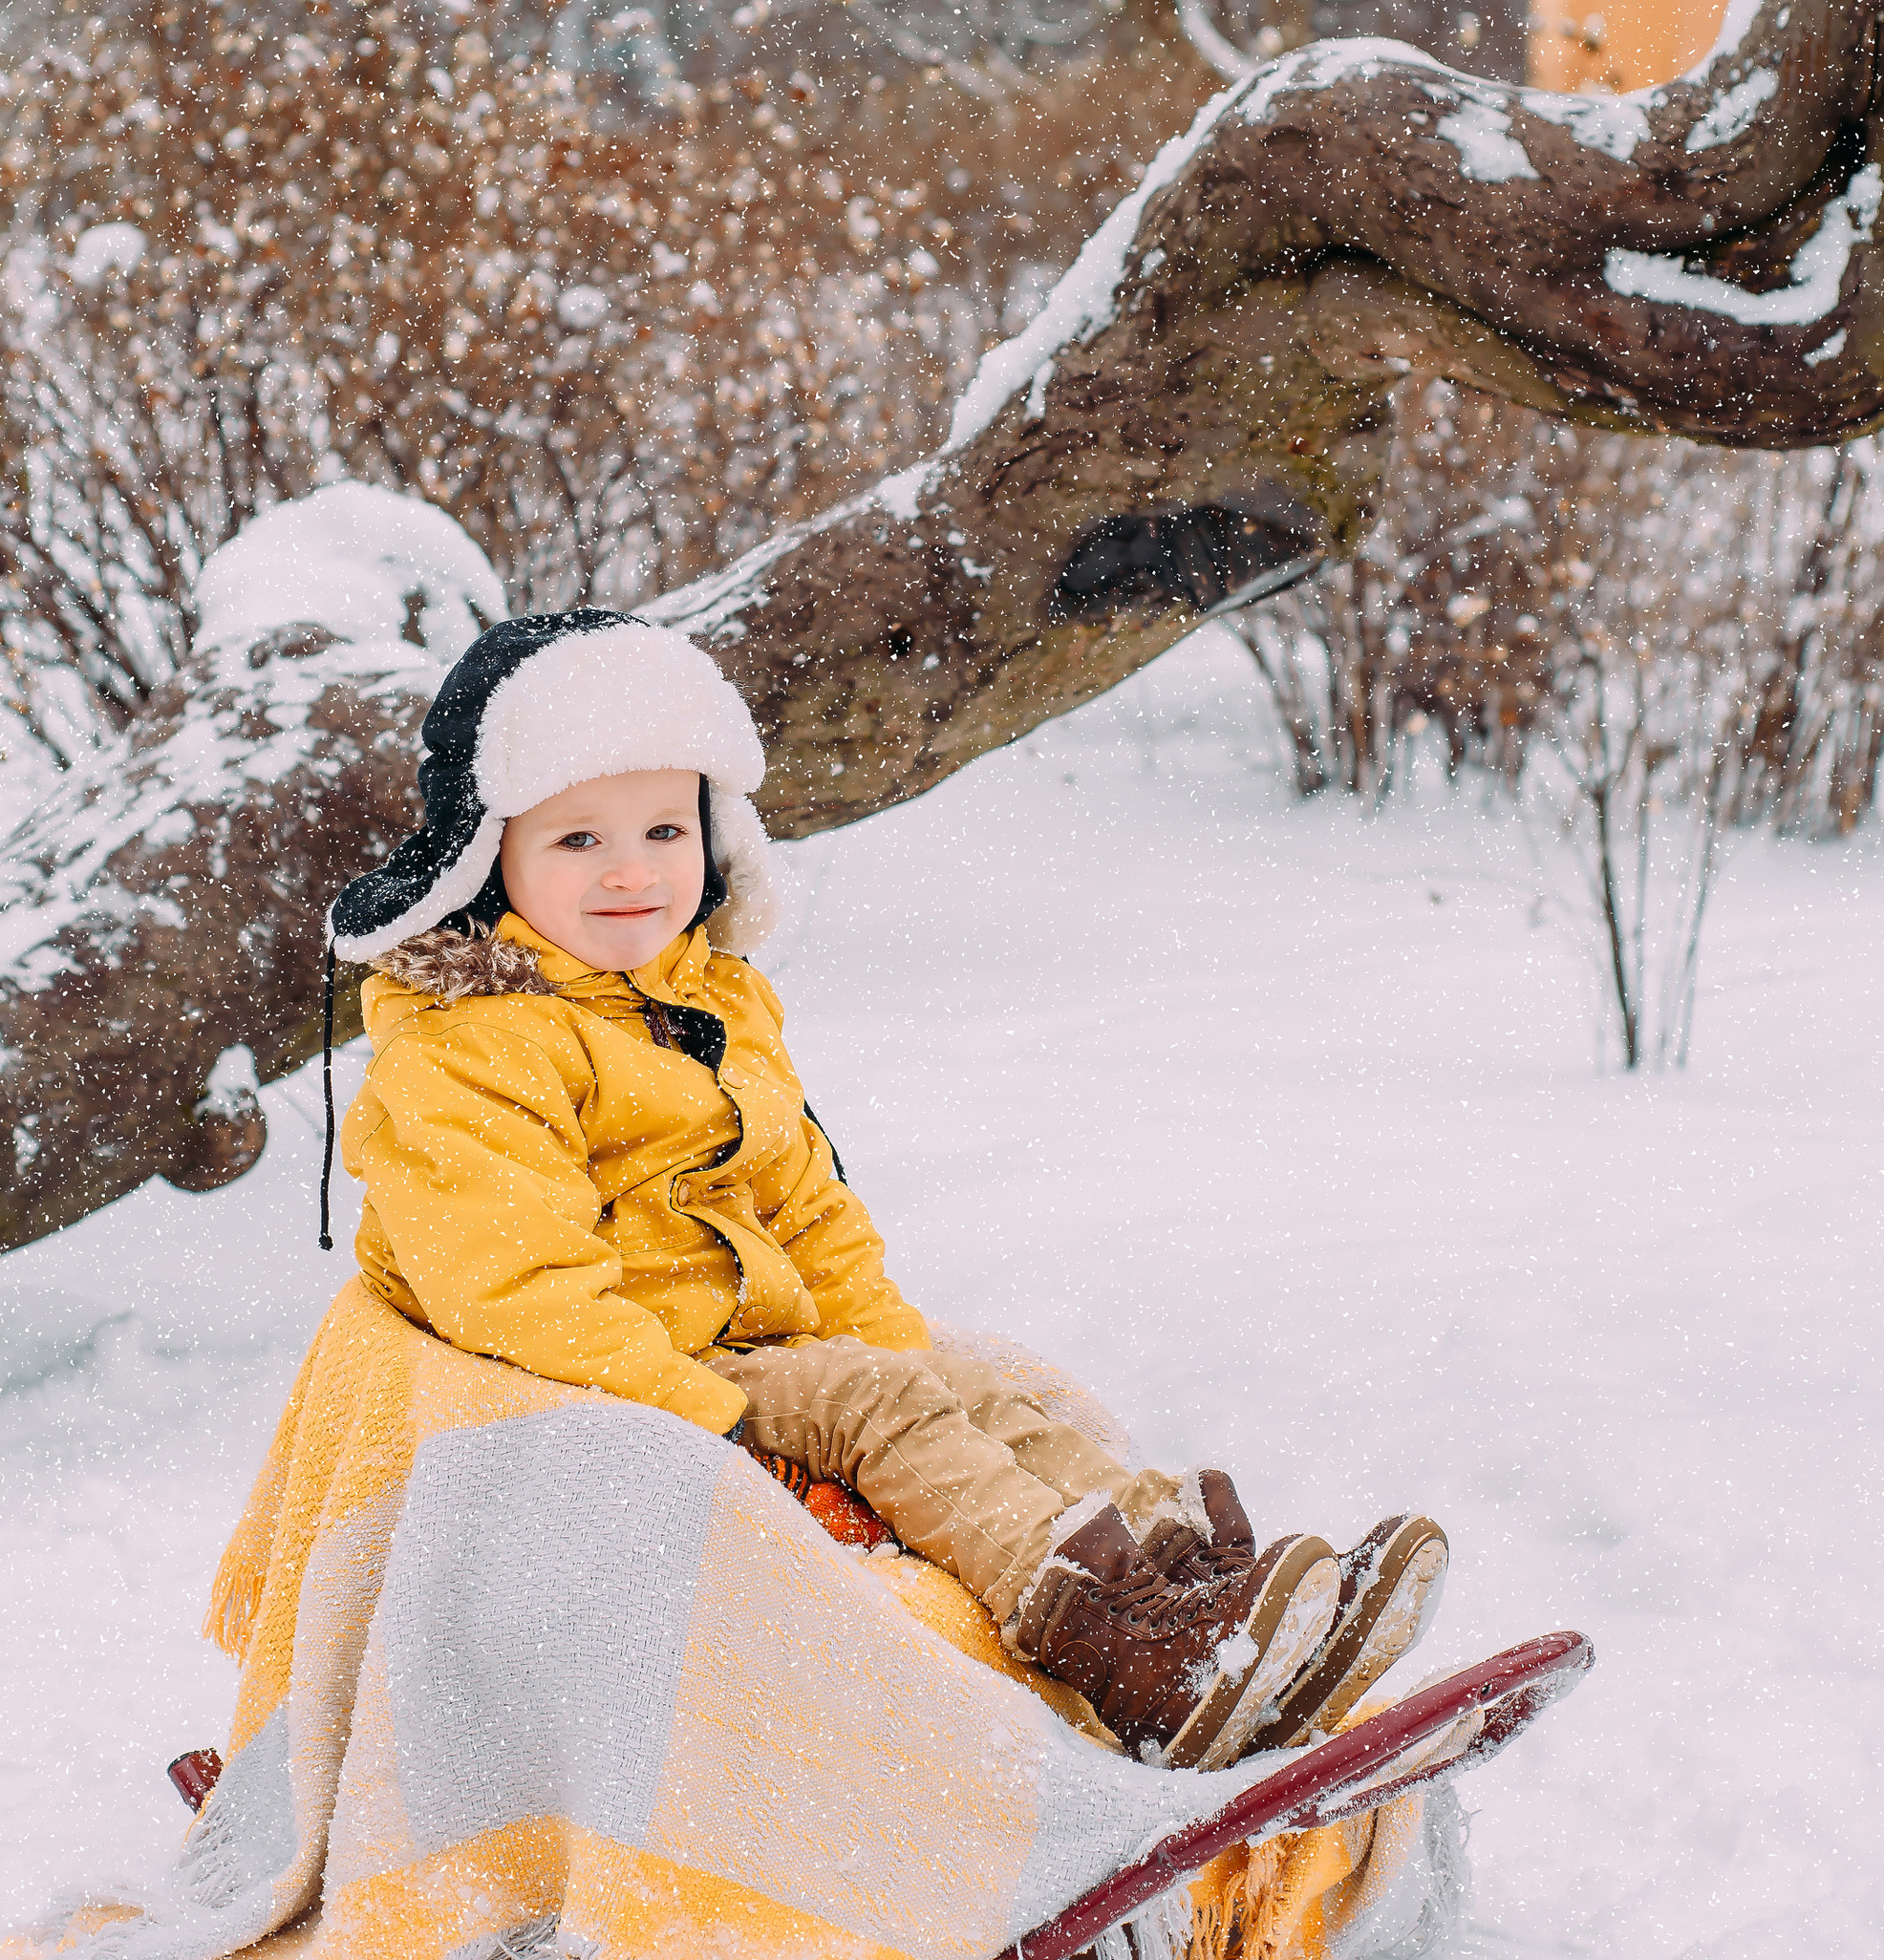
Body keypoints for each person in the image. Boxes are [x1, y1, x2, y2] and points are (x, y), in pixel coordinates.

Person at [319, 606, 1446, 1773]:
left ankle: (1201, 1596)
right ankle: (1118, 1646)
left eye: (663, 828)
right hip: (635, 1378)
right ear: (482, 855)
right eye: (575, 842)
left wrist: (899, 1348)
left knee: (988, 1395)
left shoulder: (708, 1005)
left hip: (749, 1337)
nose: (630, 872)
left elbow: (809, 1208)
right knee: (879, 1405)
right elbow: (517, 1291)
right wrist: (712, 1424)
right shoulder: (466, 1052)